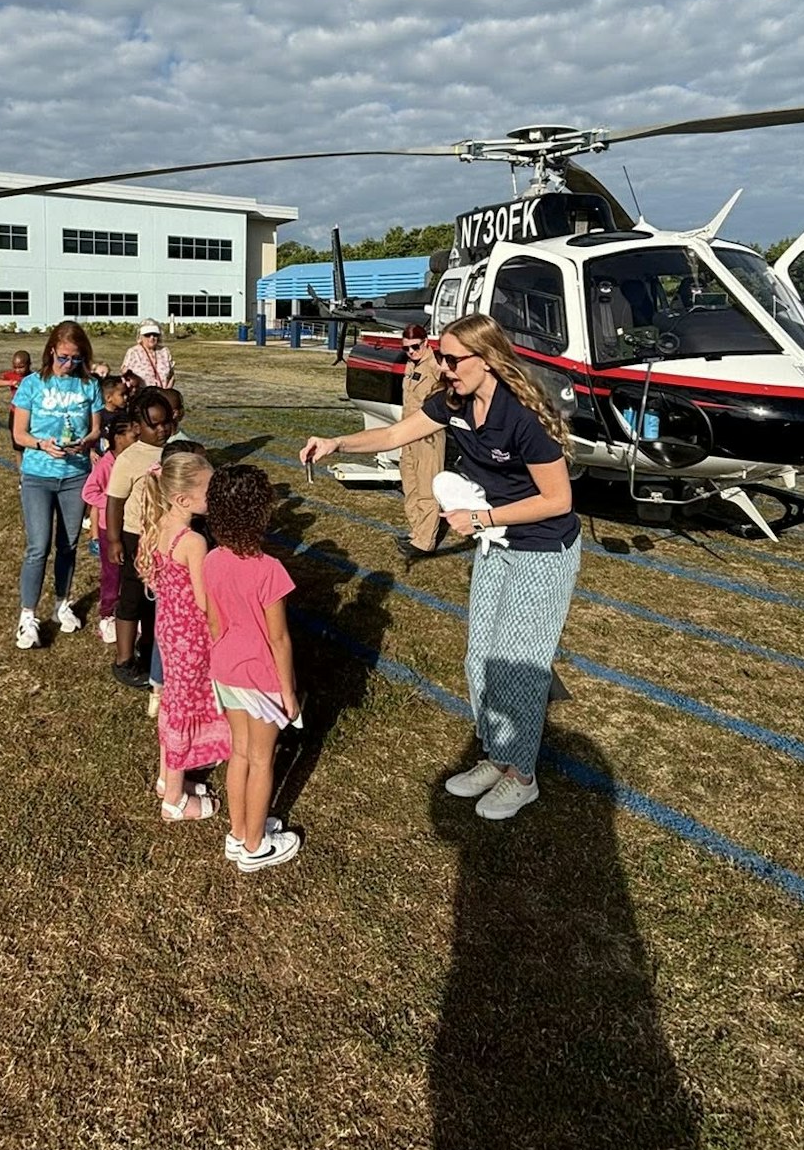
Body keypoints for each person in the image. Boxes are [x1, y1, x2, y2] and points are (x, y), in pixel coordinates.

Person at [301, 313, 578, 824]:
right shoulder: (454, 401)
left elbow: (558, 500)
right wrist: (338, 443)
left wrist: (481, 516)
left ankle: (522, 776)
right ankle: (497, 755)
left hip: (542, 547)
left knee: (517, 662)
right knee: (480, 659)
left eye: (452, 359)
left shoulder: (523, 416)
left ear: (488, 359)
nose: (443, 367)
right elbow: (397, 435)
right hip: (497, 541)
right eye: (441, 357)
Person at [205, 464, 302, 873]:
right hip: (261, 678)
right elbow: (279, 640)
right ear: (263, 514)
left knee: (239, 754)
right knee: (263, 760)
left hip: (225, 669)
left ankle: (239, 830)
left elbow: (214, 621)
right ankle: (255, 846)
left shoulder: (211, 560)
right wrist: (290, 692)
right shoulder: (269, 571)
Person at [139, 450, 232, 823]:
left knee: (173, 704)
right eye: (209, 493)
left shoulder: (159, 524)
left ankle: (167, 778)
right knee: (182, 711)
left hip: (168, 633)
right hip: (192, 639)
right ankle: (175, 800)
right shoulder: (193, 541)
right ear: (184, 499)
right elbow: (203, 598)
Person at [10, 322, 105, 650]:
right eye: (64, 357)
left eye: (76, 359)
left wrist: (86, 443)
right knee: (38, 546)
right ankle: (28, 616)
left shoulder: (89, 385)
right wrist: (41, 445)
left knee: (68, 545)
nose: (69, 365)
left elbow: (96, 430)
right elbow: (18, 434)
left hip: (75, 475)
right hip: (38, 475)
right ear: (52, 350)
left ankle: (62, 603)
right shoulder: (32, 385)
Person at [105, 387, 175, 686]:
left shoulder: (176, 450)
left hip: (166, 538)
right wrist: (114, 539)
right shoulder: (130, 459)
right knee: (132, 598)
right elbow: (114, 501)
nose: (161, 429)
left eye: (165, 423)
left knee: (157, 598)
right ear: (137, 427)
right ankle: (124, 660)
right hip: (135, 537)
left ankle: (150, 649)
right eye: (153, 424)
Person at [82, 409, 136, 644]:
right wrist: (114, 502)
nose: (138, 441)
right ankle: (107, 616)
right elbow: (89, 492)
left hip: (130, 526)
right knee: (111, 574)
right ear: (118, 438)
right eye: (134, 437)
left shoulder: (133, 461)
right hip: (108, 528)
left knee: (130, 571)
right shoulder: (106, 464)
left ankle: (128, 612)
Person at [397, 325, 447, 562]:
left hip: (428, 434)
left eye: (415, 346)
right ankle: (416, 530)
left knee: (427, 487)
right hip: (408, 432)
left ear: (426, 342)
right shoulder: (412, 364)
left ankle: (425, 541)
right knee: (410, 482)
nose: (411, 352)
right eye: (406, 348)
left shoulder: (436, 363)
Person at [0, 347, 33, 448]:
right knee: (17, 445)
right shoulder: (11, 375)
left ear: (29, 365)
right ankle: (19, 464)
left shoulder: (33, 377)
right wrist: (10, 382)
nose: (17, 370)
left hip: (31, 413)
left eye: (21, 367)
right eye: (15, 367)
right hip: (15, 412)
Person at [121, 320, 174, 393]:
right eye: (147, 335)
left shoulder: (165, 351)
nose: (152, 337)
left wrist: (167, 393)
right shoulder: (133, 352)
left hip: (163, 397)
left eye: (155, 334)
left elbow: (171, 376)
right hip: (141, 396)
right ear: (141, 336)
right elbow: (125, 377)